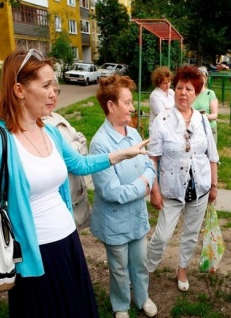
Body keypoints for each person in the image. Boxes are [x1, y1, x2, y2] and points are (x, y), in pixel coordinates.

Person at [0, 49, 148, 318]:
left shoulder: (51, 131)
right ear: (19, 89)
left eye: (54, 85)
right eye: (46, 85)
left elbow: (80, 164)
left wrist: (123, 153)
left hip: (68, 241)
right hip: (37, 254)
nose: (54, 92)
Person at [89, 74, 157, 318]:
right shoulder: (100, 144)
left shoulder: (134, 133)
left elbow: (149, 163)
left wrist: (148, 177)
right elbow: (111, 191)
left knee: (140, 263)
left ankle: (142, 297)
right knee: (118, 268)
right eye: (127, 102)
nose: (132, 107)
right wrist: (144, 186)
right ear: (111, 106)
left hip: (136, 214)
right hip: (114, 219)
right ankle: (120, 305)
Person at [147, 65, 219, 292]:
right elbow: (153, 159)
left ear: (196, 93)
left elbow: (212, 155)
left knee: (190, 235)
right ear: (173, 91)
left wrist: (214, 186)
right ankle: (146, 269)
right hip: (171, 189)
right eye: (179, 88)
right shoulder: (163, 120)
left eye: (189, 89)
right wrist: (154, 190)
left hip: (200, 189)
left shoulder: (203, 121)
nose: (183, 93)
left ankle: (182, 269)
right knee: (161, 236)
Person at [42, 77, 91, 230]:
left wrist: (70, 149)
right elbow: (56, 157)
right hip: (60, 200)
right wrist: (73, 149)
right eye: (48, 90)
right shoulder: (37, 125)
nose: (53, 96)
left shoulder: (58, 118)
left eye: (56, 91)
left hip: (76, 194)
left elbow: (82, 142)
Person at [192, 66, 219, 143]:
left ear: (206, 79)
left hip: (209, 127)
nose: (200, 79)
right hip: (195, 129)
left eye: (203, 77)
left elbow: (215, 115)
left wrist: (204, 116)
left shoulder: (210, 93)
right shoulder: (191, 93)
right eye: (198, 77)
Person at [149, 66, 174, 131]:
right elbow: (161, 116)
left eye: (169, 82)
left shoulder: (171, 92)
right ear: (158, 83)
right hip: (158, 130)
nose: (168, 85)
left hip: (171, 128)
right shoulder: (155, 95)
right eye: (165, 83)